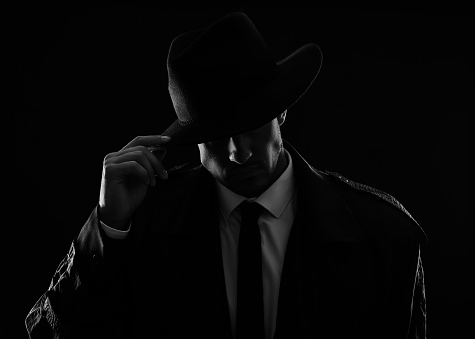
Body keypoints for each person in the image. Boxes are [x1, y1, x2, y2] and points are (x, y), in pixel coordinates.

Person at [25, 12, 427, 339]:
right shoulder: (140, 227)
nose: (238, 153)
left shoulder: (384, 235)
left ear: (281, 111)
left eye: (252, 124)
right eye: (217, 138)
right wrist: (107, 230)